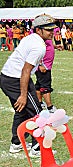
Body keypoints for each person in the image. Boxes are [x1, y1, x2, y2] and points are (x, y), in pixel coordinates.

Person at [0, 14, 57, 157]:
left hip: (8, 77)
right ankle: (37, 147)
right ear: (38, 30)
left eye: (53, 29)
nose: (52, 32)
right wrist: (23, 95)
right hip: (15, 79)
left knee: (22, 111)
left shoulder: (31, 39)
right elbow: (25, 71)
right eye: (48, 30)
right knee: (37, 112)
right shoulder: (39, 46)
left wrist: (41, 65)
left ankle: (17, 143)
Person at [35, 39, 57, 112]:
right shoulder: (40, 36)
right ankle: (50, 107)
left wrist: (55, 46)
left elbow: (47, 46)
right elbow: (37, 50)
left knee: (39, 84)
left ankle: (39, 102)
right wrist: (40, 64)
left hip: (46, 65)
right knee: (45, 86)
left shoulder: (45, 36)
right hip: (44, 66)